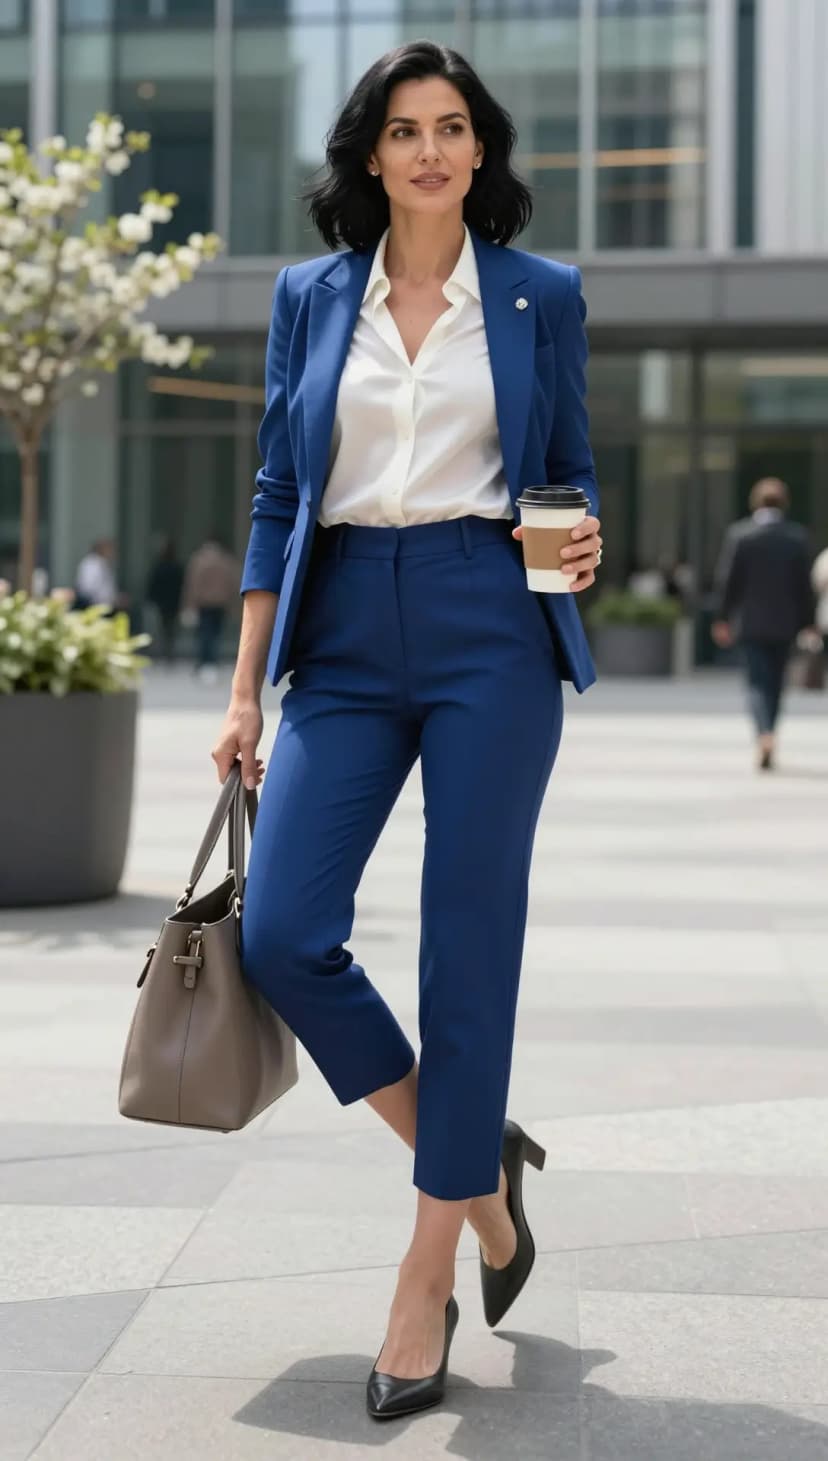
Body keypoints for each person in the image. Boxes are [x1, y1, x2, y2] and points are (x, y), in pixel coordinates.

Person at [211, 43, 603, 1422]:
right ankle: (476, 1164)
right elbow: (278, 489)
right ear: (369, 156)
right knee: (283, 933)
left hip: (490, 620)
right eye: (403, 129)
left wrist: (574, 552)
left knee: (467, 947)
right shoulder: (311, 296)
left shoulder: (541, 295)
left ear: (479, 151)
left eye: (451, 128)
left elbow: (563, 473)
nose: (429, 150)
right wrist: (247, 686)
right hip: (344, 632)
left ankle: (426, 1269)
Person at [712, 477, 816, 771]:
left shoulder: (741, 535)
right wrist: (808, 623)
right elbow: (804, 586)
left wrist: (722, 618)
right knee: (777, 684)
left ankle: (764, 734)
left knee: (757, 682)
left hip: (751, 623)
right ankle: (771, 731)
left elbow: (728, 581)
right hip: (785, 624)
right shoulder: (796, 537)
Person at [182, 533, 240, 683]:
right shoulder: (226, 561)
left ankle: (205, 662)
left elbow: (192, 585)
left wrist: (189, 605)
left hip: (204, 604)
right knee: (215, 634)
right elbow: (233, 584)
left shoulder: (199, 561)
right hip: (220, 603)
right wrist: (233, 604)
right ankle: (212, 663)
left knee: (204, 635)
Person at [145, 537, 185, 667]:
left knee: (163, 627)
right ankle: (169, 653)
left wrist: (151, 598)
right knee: (171, 628)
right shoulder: (176, 567)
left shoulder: (159, 567)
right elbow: (181, 585)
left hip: (162, 602)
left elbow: (153, 585)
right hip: (173, 602)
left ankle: (165, 652)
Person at [73, 538, 124, 612]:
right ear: (101, 549)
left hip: (104, 607)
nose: (113, 552)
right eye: (110, 549)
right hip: (94, 608)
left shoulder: (103, 563)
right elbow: (87, 588)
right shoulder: (92, 564)